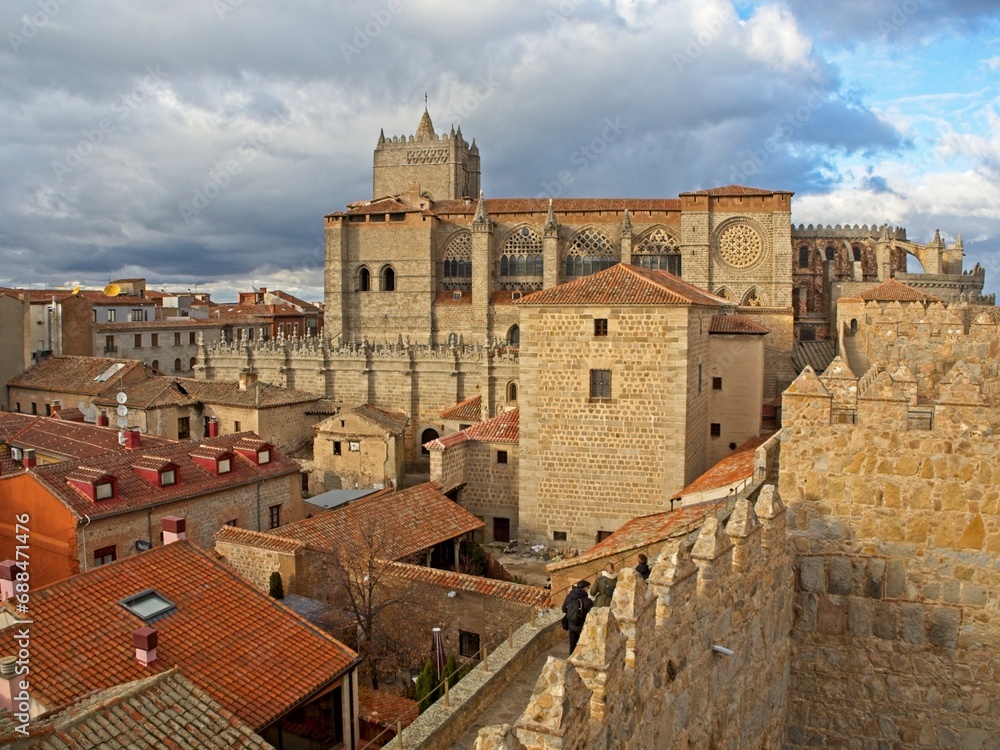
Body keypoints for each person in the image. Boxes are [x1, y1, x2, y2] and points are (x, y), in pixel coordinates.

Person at [562, 579, 593, 655]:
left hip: (571, 625)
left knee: (572, 645)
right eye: (588, 588)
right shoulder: (587, 601)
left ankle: (571, 659)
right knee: (583, 644)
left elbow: (564, 609)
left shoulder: (569, 597)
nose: (588, 590)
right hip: (581, 627)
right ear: (585, 589)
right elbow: (592, 616)